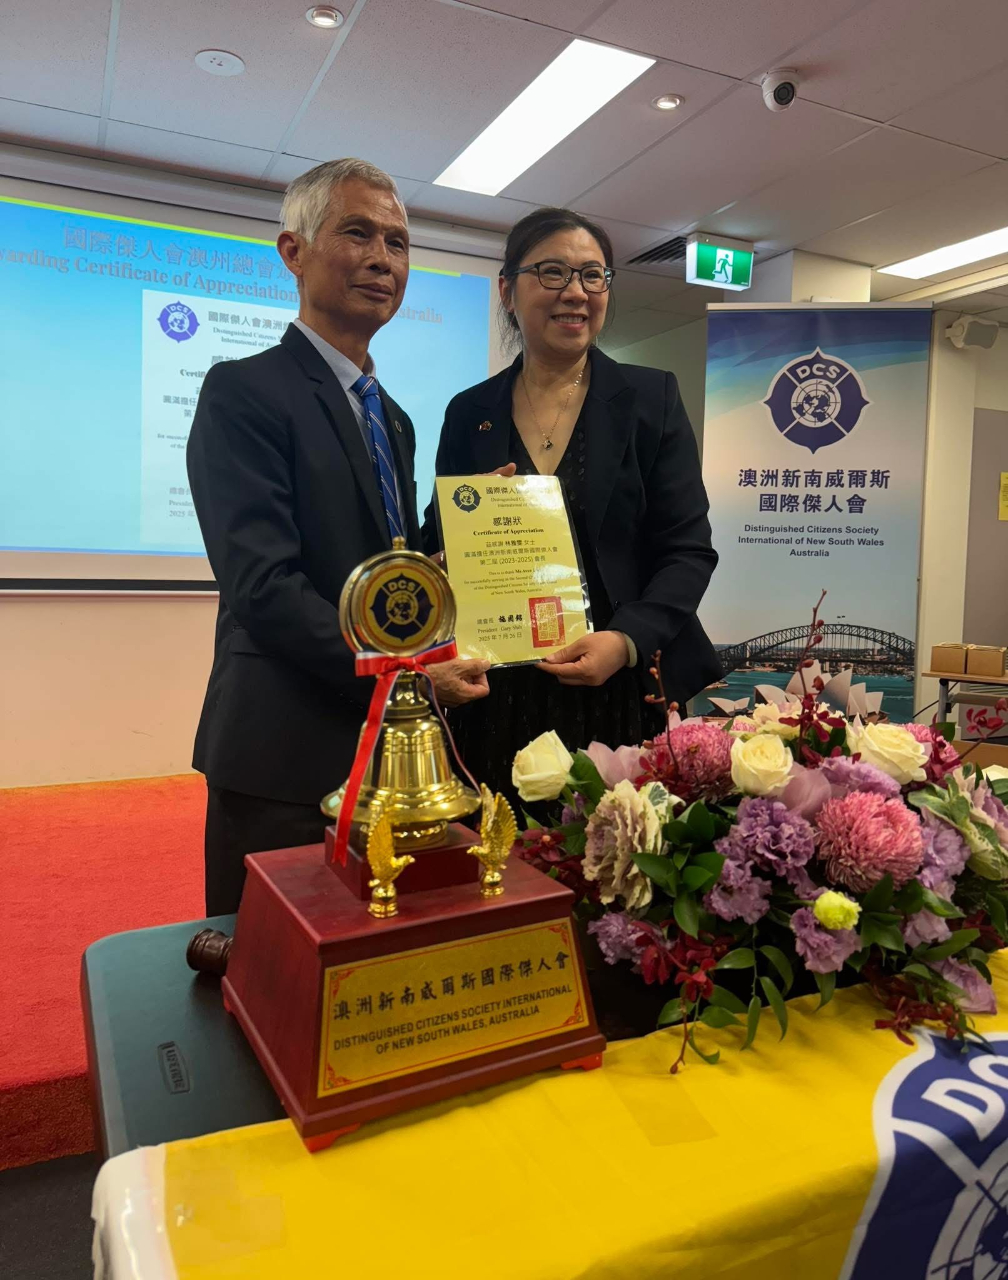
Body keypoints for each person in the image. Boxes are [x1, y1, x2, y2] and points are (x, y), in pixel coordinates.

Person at [188, 158, 489, 916]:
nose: (384, 259)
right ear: (294, 252)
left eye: (398, 242)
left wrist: (469, 534)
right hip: (281, 750)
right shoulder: (245, 390)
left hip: (387, 755)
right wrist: (410, 676)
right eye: (357, 233)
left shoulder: (393, 417)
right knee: (266, 982)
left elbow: (389, 574)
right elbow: (262, 585)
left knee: (371, 973)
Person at [421, 206, 721, 796]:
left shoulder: (649, 400)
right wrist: (456, 547)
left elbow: (688, 552)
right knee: (500, 866)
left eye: (593, 275)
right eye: (553, 273)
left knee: (617, 865)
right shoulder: (469, 412)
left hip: (616, 685)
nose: (576, 293)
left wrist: (626, 641)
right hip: (498, 687)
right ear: (508, 290)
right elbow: (439, 540)